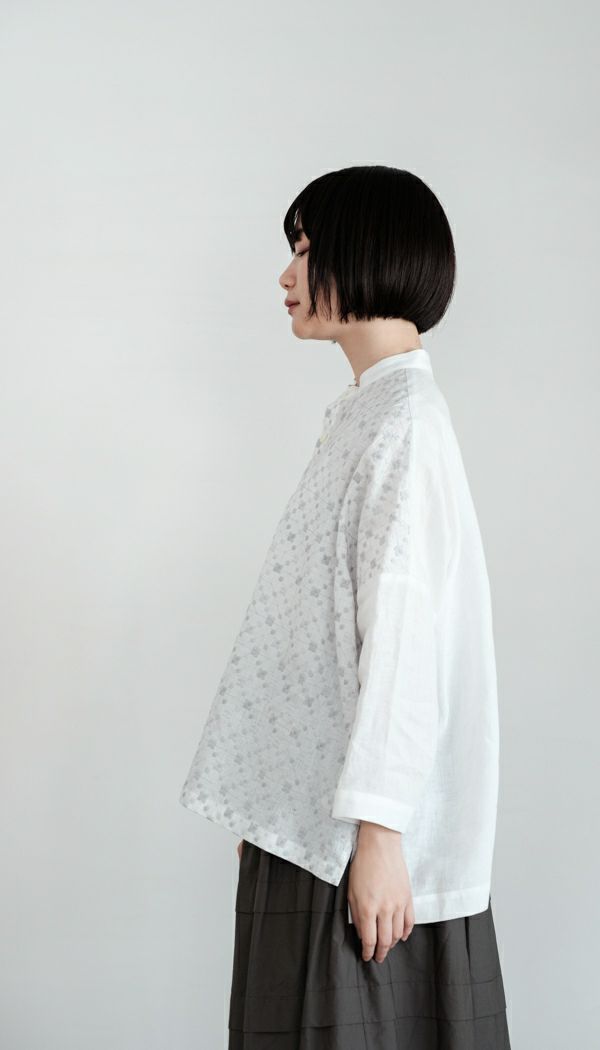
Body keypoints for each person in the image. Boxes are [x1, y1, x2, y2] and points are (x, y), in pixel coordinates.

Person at [179, 164, 511, 1048]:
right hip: (316, 828)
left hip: (352, 845)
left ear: (367, 253)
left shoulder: (405, 423)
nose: (286, 275)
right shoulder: (371, 412)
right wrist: (273, 799)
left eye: (305, 249)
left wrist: (383, 833)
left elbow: (403, 640)